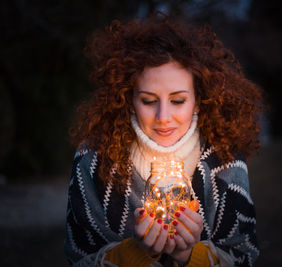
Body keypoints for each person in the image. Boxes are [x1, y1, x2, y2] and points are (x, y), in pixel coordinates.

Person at [65, 13, 263, 267]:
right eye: (148, 100)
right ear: (129, 99)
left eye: (178, 100)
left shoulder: (227, 162)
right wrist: (134, 253)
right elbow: (77, 259)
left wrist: (191, 256)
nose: (163, 117)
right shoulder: (92, 162)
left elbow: (244, 258)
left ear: (198, 101)